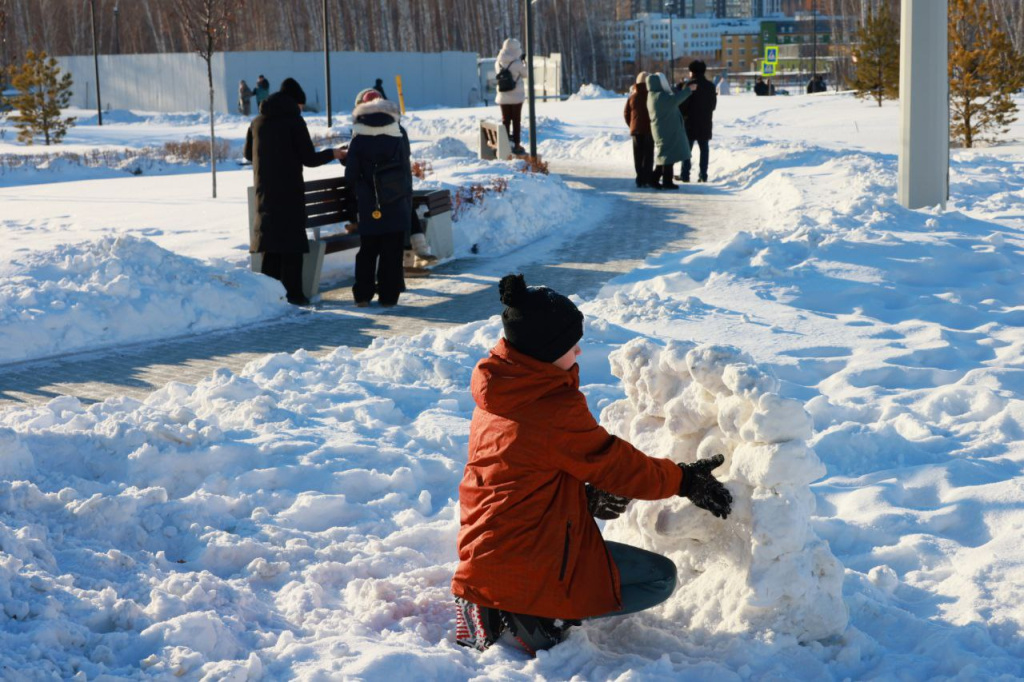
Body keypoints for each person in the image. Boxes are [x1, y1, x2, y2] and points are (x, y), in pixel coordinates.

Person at [452, 274, 733, 656]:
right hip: (528, 558)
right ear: (547, 349)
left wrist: (578, 499)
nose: (579, 353)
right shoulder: (550, 407)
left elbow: (516, 475)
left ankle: (492, 595)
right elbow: (618, 465)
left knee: (584, 559)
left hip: (486, 550)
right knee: (660, 579)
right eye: (572, 345)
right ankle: (538, 621)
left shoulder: (500, 391)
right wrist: (684, 480)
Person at [244, 77, 346, 305]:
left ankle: (269, 298)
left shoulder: (257, 121)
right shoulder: (294, 122)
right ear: (296, 102)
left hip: (265, 192)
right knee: (291, 246)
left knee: (270, 246)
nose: (301, 109)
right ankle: (295, 296)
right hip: (289, 192)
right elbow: (309, 159)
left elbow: (248, 155)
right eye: (301, 105)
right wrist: (333, 154)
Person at [346, 88, 414, 308]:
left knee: (368, 250)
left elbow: (351, 174)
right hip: (395, 200)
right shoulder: (398, 132)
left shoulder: (358, 136)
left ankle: (363, 295)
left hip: (369, 203)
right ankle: (389, 296)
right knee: (392, 251)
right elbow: (405, 167)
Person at [646, 72, 695, 190]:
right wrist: (689, 90)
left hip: (663, 129)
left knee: (666, 155)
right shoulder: (659, 97)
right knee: (667, 155)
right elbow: (675, 100)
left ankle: (656, 179)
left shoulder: (653, 95)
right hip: (665, 130)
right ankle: (664, 181)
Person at [678, 60, 716, 184]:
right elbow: (713, 105)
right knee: (704, 149)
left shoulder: (689, 85)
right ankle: (703, 175)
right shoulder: (710, 86)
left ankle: (685, 175)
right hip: (705, 122)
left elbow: (682, 105)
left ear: (692, 71)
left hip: (690, 123)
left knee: (686, 149)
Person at [495, 38, 528, 155]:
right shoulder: (518, 63)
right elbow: (526, 74)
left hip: (502, 96)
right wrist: (524, 62)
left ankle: (505, 144)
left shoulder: (498, 62)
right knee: (516, 120)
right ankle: (517, 144)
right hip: (516, 96)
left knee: (505, 120)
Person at [624, 72, 654, 189]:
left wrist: (631, 124)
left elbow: (626, 113)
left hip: (636, 130)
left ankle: (639, 178)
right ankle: (647, 178)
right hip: (649, 129)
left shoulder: (632, 97)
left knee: (638, 155)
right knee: (648, 154)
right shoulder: (651, 96)